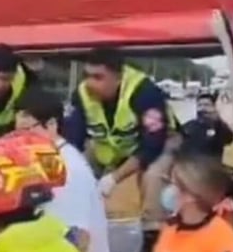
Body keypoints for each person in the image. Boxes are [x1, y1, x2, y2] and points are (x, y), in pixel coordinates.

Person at [63, 47, 180, 230]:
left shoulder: (145, 91)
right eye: (87, 75)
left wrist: (114, 178)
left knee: (153, 176)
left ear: (118, 77)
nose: (90, 83)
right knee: (73, 169)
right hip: (112, 145)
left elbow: (152, 146)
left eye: (98, 77)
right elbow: (73, 140)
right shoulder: (81, 94)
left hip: (160, 142)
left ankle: (154, 231)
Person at [15, 89, 111, 252]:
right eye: (16, 131)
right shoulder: (48, 159)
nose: (19, 138)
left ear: (51, 125)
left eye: (26, 130)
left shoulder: (67, 169)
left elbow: (78, 239)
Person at [181, 91, 233, 160]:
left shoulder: (221, 128)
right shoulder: (188, 127)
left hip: (212, 168)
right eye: (199, 105)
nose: (202, 108)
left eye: (207, 105)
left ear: (215, 107)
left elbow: (229, 140)